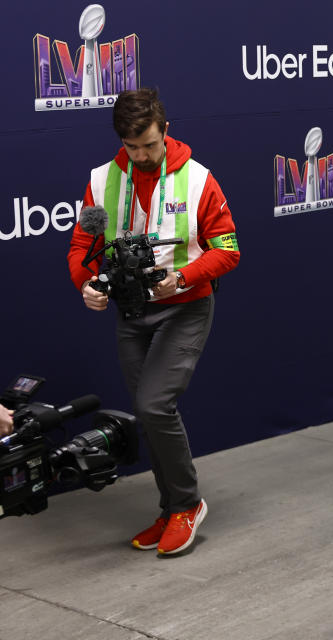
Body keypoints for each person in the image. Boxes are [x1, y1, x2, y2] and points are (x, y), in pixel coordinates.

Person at [67, 88, 240, 556]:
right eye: (132, 147)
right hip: (131, 312)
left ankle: (186, 505)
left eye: (149, 144)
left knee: (155, 405)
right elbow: (81, 246)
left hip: (185, 307)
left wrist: (181, 276)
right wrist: (87, 283)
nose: (141, 155)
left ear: (165, 130)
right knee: (148, 413)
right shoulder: (102, 180)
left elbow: (228, 251)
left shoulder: (200, 179)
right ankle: (169, 511)